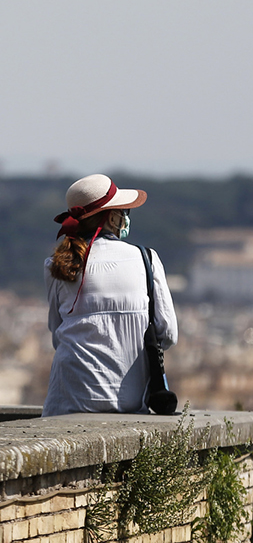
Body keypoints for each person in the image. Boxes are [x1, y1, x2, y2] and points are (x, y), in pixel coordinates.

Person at [42, 174, 178, 417]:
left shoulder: (56, 265)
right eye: (124, 211)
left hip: (65, 403)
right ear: (113, 217)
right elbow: (167, 334)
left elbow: (56, 332)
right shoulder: (146, 259)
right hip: (129, 404)